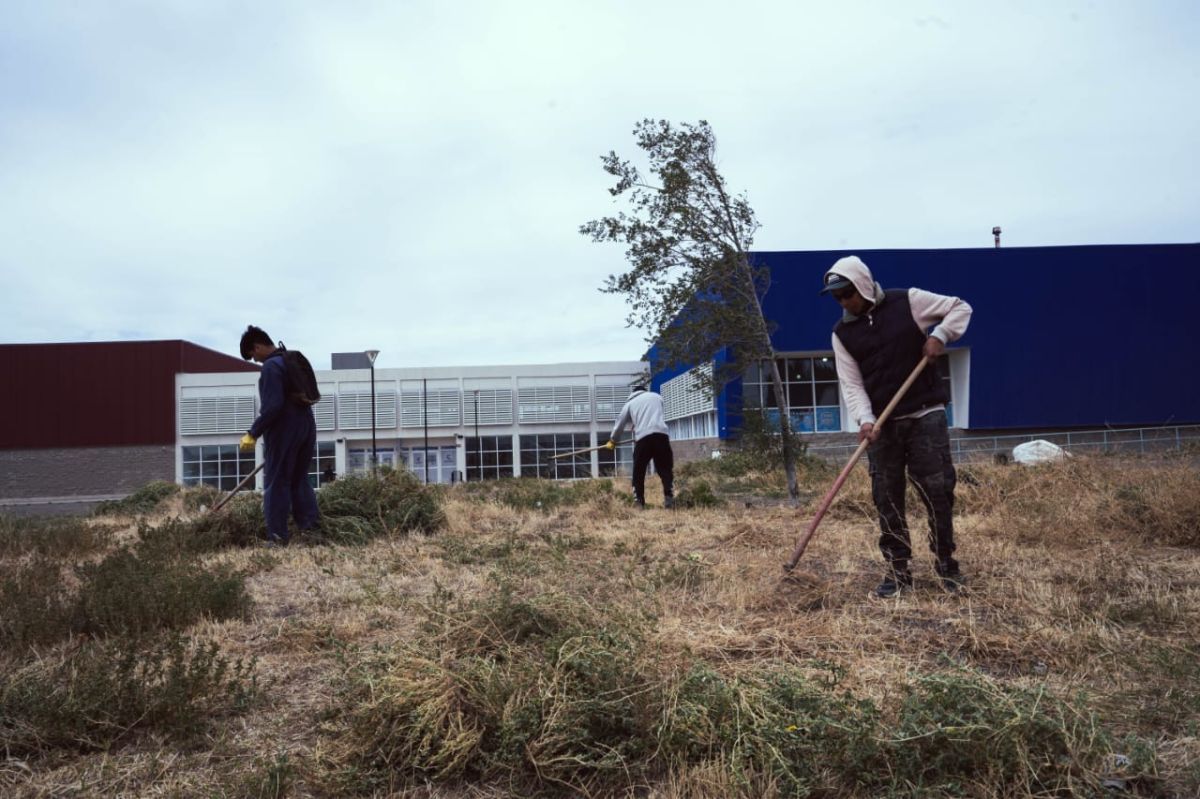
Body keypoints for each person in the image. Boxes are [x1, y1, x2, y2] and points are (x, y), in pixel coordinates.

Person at [821, 255, 972, 597]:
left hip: (925, 414)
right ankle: (898, 572)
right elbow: (852, 385)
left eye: (847, 293)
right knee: (886, 497)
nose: (843, 302)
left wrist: (940, 335)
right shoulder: (842, 335)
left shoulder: (909, 302)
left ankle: (946, 565)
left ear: (862, 285)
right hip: (882, 424)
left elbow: (960, 307)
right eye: (837, 297)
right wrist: (865, 419)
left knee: (937, 491)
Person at [239, 325, 319, 546]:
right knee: (299, 479)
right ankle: (311, 531)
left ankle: (277, 537)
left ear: (257, 347)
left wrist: (253, 433)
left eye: (253, 356)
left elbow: (273, 406)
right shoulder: (290, 360)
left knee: (277, 483)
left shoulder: (271, 367)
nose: (256, 361)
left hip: (285, 430)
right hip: (306, 425)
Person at [606, 384, 674, 509]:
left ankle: (639, 501)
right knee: (665, 469)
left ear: (633, 394)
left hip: (643, 438)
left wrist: (613, 440)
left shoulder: (630, 403)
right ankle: (669, 497)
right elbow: (652, 414)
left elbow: (619, 424)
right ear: (644, 391)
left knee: (639, 470)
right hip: (661, 435)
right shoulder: (657, 397)